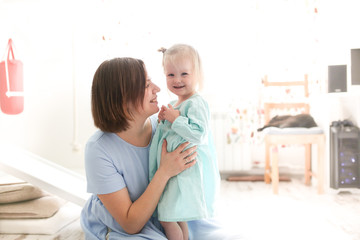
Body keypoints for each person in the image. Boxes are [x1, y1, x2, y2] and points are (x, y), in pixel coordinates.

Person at [80, 57, 198, 239]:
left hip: (165, 214)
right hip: (123, 224)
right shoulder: (99, 150)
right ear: (123, 97)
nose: (157, 89)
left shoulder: (162, 126)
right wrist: (165, 172)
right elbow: (130, 224)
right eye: (146, 85)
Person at [149, 44, 221, 240]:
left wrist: (175, 119)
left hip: (184, 173)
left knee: (167, 218)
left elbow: (198, 134)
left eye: (184, 74)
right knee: (177, 216)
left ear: (197, 74)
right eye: (170, 75)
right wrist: (164, 120)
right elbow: (172, 133)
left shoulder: (197, 103)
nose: (177, 80)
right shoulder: (175, 104)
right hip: (173, 172)